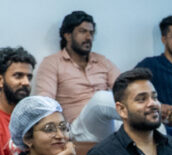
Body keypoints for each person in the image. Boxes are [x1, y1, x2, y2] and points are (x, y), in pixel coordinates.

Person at [35, 10, 121, 141]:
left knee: (144, 122)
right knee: (101, 99)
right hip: (77, 129)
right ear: (68, 35)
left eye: (91, 33)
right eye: (82, 31)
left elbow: (125, 88)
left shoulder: (102, 61)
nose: (88, 37)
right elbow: (44, 103)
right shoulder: (52, 63)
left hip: (107, 124)